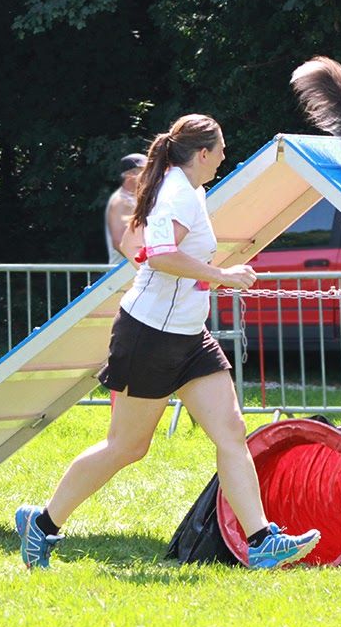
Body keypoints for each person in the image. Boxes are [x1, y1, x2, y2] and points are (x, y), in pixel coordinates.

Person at [16, 114, 321, 569]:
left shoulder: (188, 189)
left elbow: (140, 246)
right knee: (127, 447)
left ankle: (260, 541)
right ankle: (42, 525)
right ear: (202, 153)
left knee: (231, 432)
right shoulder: (178, 190)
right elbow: (158, 256)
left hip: (188, 335)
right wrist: (221, 276)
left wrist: (203, 279)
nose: (224, 156)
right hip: (150, 336)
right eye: (220, 149)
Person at [104, 153, 145, 264]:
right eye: (143, 171)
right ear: (129, 175)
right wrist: (143, 264)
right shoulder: (120, 201)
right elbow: (118, 242)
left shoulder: (135, 199)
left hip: (132, 270)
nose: (148, 175)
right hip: (122, 274)